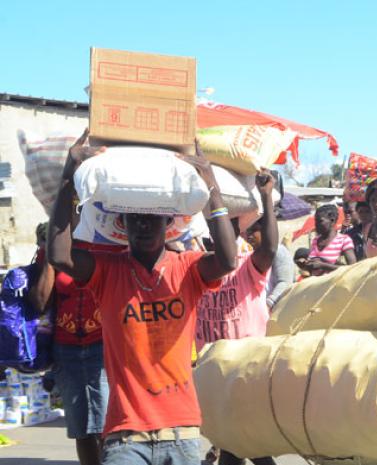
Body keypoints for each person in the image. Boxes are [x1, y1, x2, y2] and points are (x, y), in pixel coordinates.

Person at [47, 133, 239, 465]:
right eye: (135, 218)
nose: (143, 225)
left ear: (169, 222)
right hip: (126, 437)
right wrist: (69, 176)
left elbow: (227, 260)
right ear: (122, 223)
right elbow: (60, 257)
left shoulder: (187, 269)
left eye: (152, 218)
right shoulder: (108, 273)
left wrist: (210, 186)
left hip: (182, 434)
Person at [196, 173, 278, 465]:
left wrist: (266, 196)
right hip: (214, 374)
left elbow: (269, 248)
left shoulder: (248, 266)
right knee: (232, 447)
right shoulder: (200, 268)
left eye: (223, 229)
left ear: (236, 232)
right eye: (211, 229)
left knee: (247, 444)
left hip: (247, 372)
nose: (215, 236)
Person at [29, 221, 117, 465]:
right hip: (65, 350)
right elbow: (40, 302)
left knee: (106, 428)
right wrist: (50, 253)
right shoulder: (53, 252)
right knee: (81, 429)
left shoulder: (107, 245)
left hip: (103, 346)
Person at [242, 217, 292, 309]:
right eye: (248, 231)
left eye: (253, 230)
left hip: (275, 309)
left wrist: (268, 304)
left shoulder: (279, 251)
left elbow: (285, 283)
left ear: (265, 231)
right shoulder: (246, 255)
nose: (249, 235)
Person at [304, 205, 357, 276]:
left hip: (335, 285)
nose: (316, 225)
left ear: (332, 220)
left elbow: (352, 268)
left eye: (320, 221)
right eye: (315, 221)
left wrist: (323, 265)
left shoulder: (343, 240)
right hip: (316, 285)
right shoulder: (315, 240)